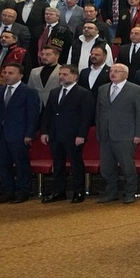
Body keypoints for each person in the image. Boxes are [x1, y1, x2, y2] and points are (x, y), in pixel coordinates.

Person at [0, 62, 41, 203]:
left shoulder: (29, 92)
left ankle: (23, 191)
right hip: (0, 134)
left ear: (20, 75)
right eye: (5, 73)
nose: (7, 76)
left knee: (21, 164)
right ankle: (8, 191)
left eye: (11, 73)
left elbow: (32, 115)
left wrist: (29, 134)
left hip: (19, 134)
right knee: (3, 164)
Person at [38, 64, 94, 204]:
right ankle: (59, 191)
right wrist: (44, 131)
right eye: (60, 74)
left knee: (76, 164)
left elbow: (86, 117)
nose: (61, 76)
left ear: (74, 76)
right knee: (58, 164)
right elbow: (48, 114)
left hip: (73, 135)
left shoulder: (83, 93)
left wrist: (81, 135)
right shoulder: (55, 92)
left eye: (65, 74)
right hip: (55, 134)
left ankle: (78, 191)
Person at [94, 62, 140, 204]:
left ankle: (130, 192)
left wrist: (138, 134)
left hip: (125, 134)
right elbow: (99, 113)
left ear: (125, 74)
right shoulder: (103, 89)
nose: (113, 73)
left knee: (127, 166)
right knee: (106, 167)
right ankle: (111, 192)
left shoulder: (135, 90)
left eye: (117, 71)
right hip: (105, 135)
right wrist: (99, 132)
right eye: (111, 71)